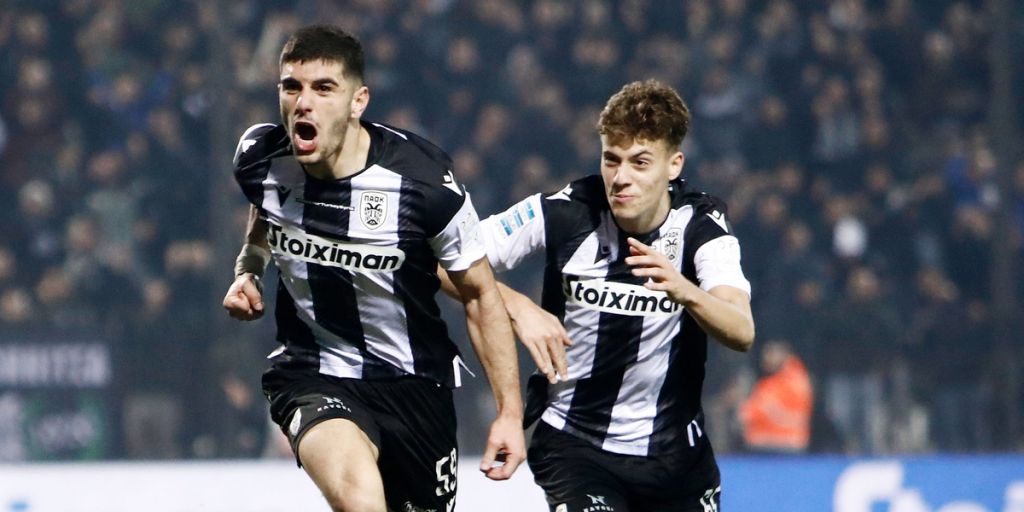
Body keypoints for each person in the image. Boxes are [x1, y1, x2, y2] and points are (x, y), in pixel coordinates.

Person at [221, 25, 524, 512]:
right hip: (313, 371)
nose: (303, 103)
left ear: (357, 101)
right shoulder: (259, 157)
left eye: (324, 88)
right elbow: (265, 209)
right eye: (291, 87)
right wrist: (249, 267)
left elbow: (478, 293)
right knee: (360, 501)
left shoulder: (425, 184)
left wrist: (509, 413)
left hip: (415, 385)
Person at [444, 80, 755, 511]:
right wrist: (517, 306)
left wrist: (685, 291)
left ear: (673, 165)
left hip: (676, 461)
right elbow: (443, 259)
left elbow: (742, 330)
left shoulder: (702, 225)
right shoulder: (565, 210)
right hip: (576, 447)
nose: (621, 178)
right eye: (612, 160)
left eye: (640, 162)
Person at [738, 339, 813, 453]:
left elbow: (753, 413)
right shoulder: (775, 382)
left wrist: (746, 411)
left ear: (783, 354)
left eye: (770, 353)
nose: (765, 358)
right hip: (775, 444)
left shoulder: (791, 382)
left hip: (780, 445)